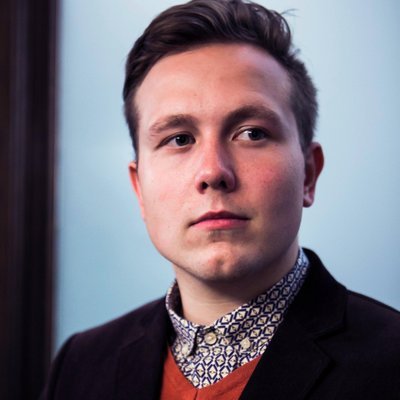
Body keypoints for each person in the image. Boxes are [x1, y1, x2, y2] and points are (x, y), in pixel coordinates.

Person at [41, 1, 400, 399]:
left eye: (252, 133)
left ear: (308, 175)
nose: (213, 172)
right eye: (179, 139)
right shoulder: (80, 365)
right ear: (139, 189)